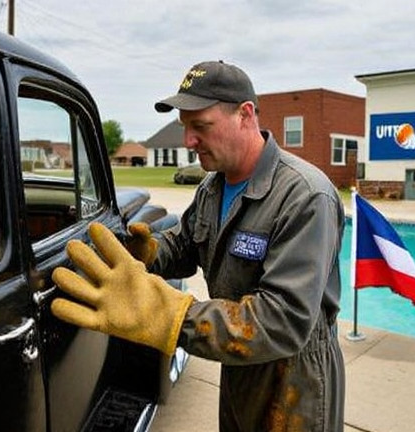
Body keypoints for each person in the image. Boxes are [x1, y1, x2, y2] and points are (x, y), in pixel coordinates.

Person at [51, 60, 346, 431]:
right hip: (239, 365)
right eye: (185, 127)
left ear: (245, 115)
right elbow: (187, 244)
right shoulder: (214, 186)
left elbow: (282, 321)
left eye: (200, 126)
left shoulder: (304, 196)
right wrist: (151, 254)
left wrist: (168, 317)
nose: (188, 141)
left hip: (294, 384)